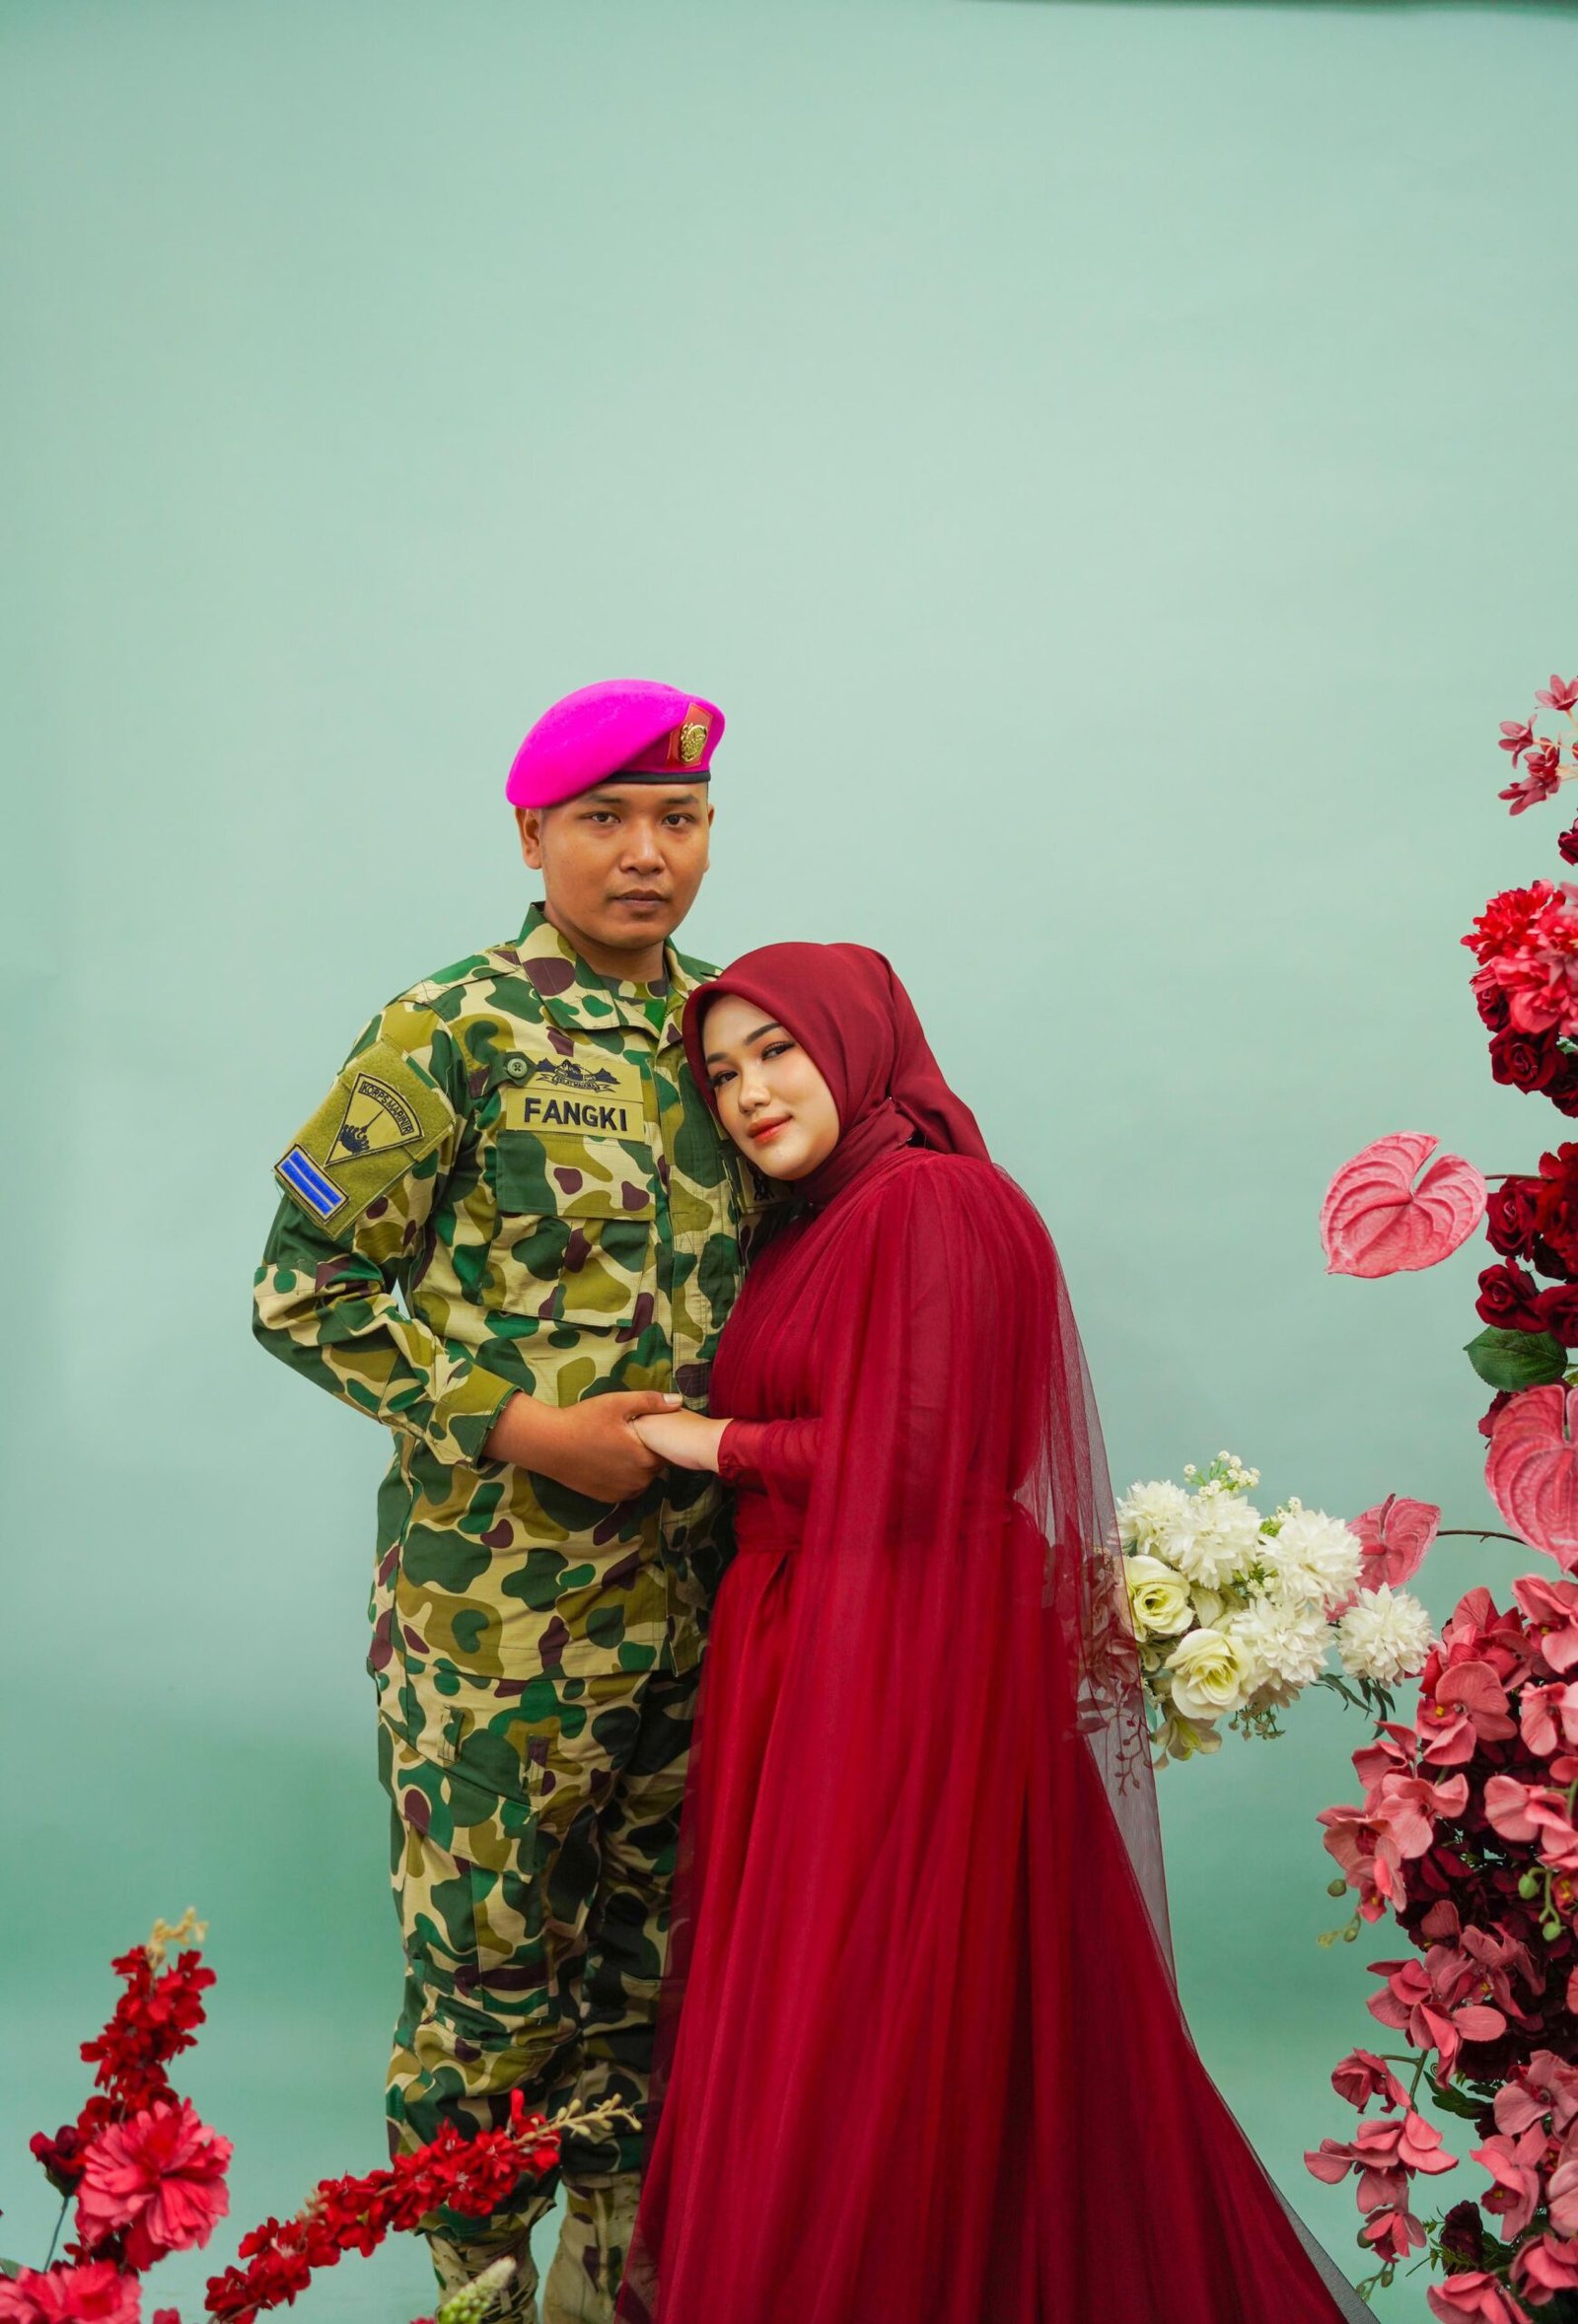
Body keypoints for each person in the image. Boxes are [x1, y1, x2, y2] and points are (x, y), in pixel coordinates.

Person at [613, 943, 1373, 2324]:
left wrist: (707, 1440)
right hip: (815, 1640)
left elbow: (919, 1460)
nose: (750, 1092)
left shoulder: (936, 1201)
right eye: (721, 1073)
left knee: (880, 2015)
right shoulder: (809, 1222)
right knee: (851, 2014)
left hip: (905, 1657)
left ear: (855, 1044)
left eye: (778, 1051)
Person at [251, 679, 773, 2324]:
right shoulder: (449, 1028)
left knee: (652, 1979)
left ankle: (610, 2286)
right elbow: (303, 1287)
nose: (646, 854)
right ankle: (476, 2289)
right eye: (605, 820)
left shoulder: (734, 1038)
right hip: (494, 1622)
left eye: (678, 818)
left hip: (699, 1608)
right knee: (486, 1991)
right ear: (533, 837)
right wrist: (524, 1428)